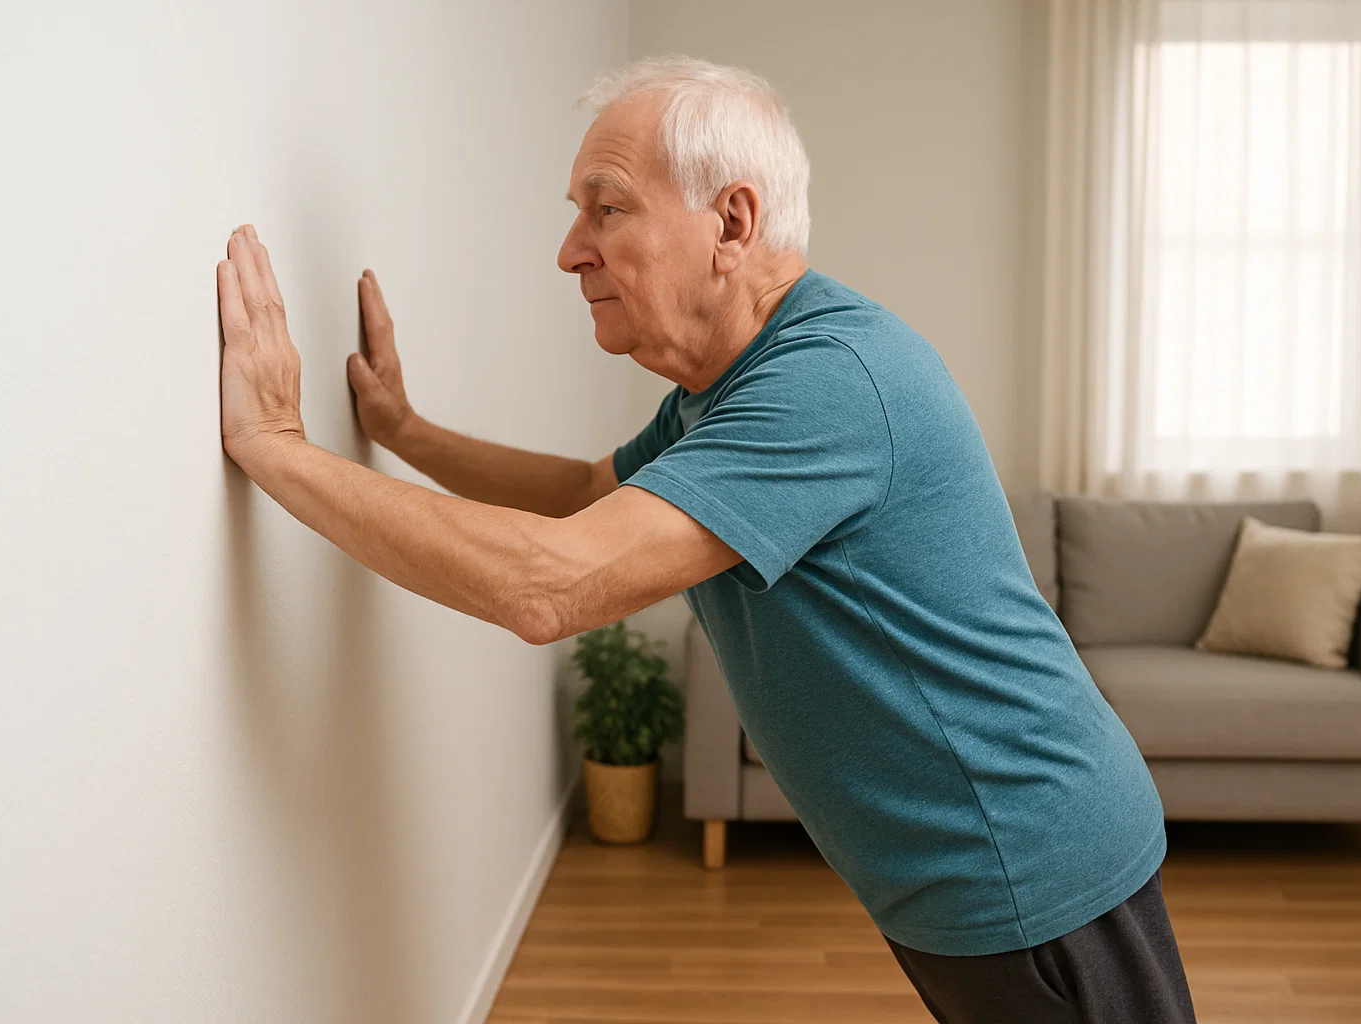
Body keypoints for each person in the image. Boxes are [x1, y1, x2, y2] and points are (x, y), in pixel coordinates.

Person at [215, 55, 1196, 1024]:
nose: (569, 250)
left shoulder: (825, 382)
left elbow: (546, 588)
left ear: (732, 222)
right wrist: (404, 433)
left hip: (1032, 869)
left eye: (606, 207)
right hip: (969, 878)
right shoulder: (721, 392)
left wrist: (280, 450)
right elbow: (585, 496)